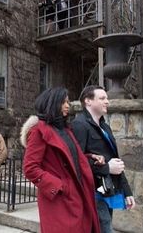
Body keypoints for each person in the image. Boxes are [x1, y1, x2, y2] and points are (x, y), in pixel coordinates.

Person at [21, 87, 101, 233]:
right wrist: (59, 186)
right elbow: (30, 168)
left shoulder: (65, 130)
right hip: (60, 199)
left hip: (78, 193)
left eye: (68, 102)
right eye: (63, 102)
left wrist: (89, 158)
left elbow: (69, 156)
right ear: (52, 103)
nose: (67, 106)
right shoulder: (39, 131)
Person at [71, 86, 136, 233]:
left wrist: (127, 192)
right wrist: (106, 168)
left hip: (107, 189)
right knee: (105, 228)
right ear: (88, 101)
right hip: (92, 191)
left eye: (106, 98)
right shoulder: (79, 125)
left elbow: (115, 161)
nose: (107, 102)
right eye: (102, 98)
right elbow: (75, 161)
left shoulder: (105, 127)